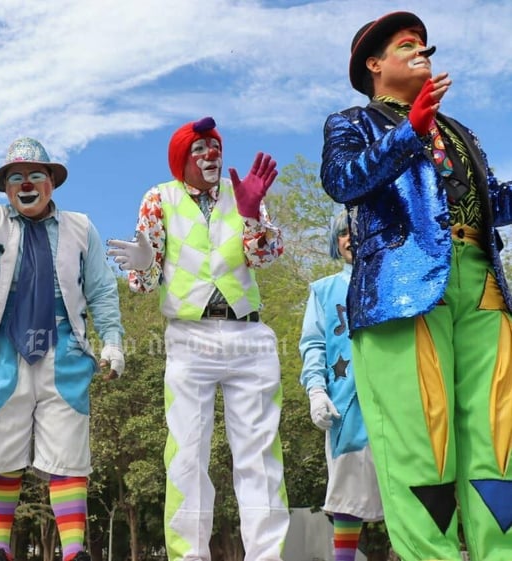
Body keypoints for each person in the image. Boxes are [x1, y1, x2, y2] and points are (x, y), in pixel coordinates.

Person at [320, 11, 512, 561]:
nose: (423, 50)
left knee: (498, 436)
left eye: (426, 45)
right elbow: (343, 181)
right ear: (374, 65)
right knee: (421, 444)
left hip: (480, 282)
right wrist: (409, 132)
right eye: (408, 45)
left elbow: (491, 203)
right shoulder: (352, 122)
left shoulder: (461, 131)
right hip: (403, 291)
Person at [0, 85, 124, 561]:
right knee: (3, 448)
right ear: (5, 188)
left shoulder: (82, 228)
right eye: (16, 176)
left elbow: (102, 288)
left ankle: (74, 552)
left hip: (65, 350)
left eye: (35, 174)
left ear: (51, 182)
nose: (26, 182)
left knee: (67, 451)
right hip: (4, 348)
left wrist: (114, 341)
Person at [107, 117, 289, 561]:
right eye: (200, 149)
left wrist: (251, 214)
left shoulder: (241, 190)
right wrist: (146, 262)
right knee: (187, 454)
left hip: (248, 332)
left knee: (259, 454)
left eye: (215, 147)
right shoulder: (159, 199)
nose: (211, 155)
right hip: (190, 336)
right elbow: (143, 284)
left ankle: (267, 556)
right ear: (181, 158)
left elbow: (266, 255)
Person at [298, 211, 383, 561]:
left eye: (359, 231)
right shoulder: (323, 291)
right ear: (337, 242)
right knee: (348, 494)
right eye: (344, 233)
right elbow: (313, 345)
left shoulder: (395, 281)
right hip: (347, 406)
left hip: (398, 402)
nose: (351, 238)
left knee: (411, 488)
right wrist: (316, 391)